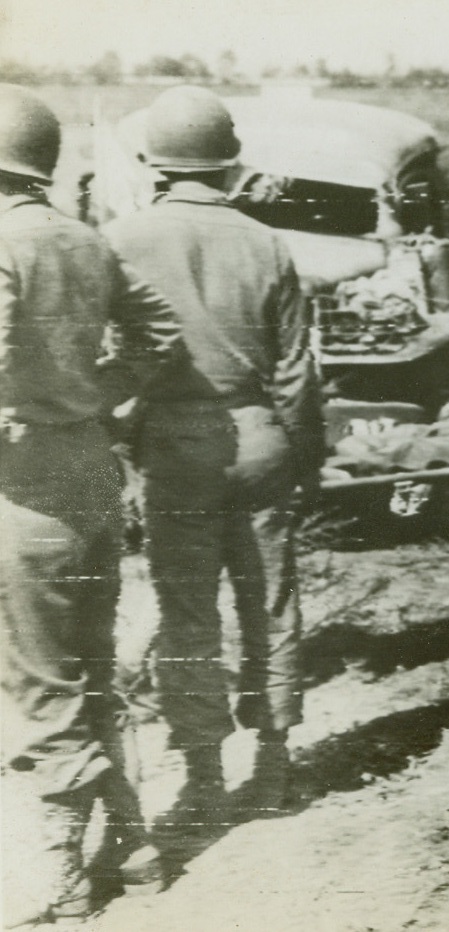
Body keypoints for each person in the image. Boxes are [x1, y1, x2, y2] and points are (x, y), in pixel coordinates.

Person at [103, 86, 326, 831]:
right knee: (270, 604)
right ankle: (274, 762)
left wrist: (124, 436)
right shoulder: (268, 243)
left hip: (174, 443)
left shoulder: (122, 239)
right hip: (260, 434)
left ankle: (202, 777)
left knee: (188, 611)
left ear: (154, 163)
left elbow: (109, 357)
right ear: (230, 166)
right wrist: (305, 463)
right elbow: (299, 374)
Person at [0, 84, 182, 923]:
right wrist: (94, 400)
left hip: (24, 485)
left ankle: (61, 874)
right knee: (93, 667)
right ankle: (135, 842)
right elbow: (159, 332)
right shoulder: (84, 240)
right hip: (89, 473)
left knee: (38, 683)